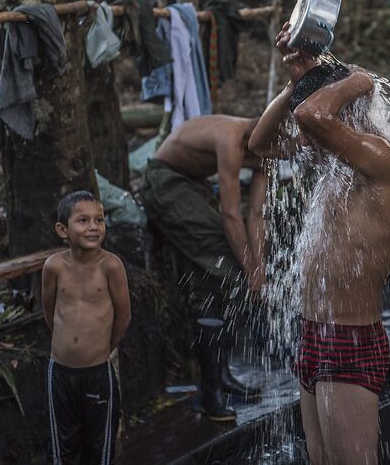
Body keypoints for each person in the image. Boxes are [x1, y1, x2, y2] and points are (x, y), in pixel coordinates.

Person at [249, 22, 390, 465]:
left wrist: (357, 79)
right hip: (312, 333)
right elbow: (260, 143)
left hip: (350, 339)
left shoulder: (383, 160)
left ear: (343, 114)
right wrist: (295, 83)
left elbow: (310, 117)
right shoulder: (334, 166)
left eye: (314, 124)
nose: (302, 140)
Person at [139, 115, 266, 421]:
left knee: (211, 278)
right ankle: (210, 393)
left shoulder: (269, 152)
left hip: (193, 186)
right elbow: (231, 216)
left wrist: (259, 268)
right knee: (225, 255)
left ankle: (217, 381)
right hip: (165, 182)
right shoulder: (230, 138)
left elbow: (257, 215)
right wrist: (250, 273)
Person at [41, 190, 131, 465]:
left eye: (99, 220)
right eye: (83, 220)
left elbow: (123, 318)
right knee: (64, 444)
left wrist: (100, 348)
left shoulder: (111, 266)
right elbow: (49, 311)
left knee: (98, 444)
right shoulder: (53, 266)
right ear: (62, 229)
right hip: (60, 372)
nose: (93, 227)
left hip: (97, 373)